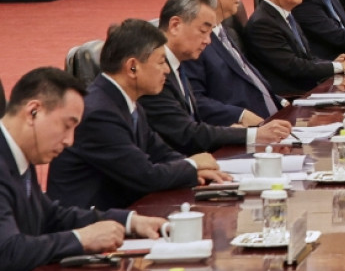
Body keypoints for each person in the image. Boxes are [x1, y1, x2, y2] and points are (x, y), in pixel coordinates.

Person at [47, 20, 231, 211]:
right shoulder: (99, 113)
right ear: (133, 67)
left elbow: (160, 152)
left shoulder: (128, 101)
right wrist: (192, 165)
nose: (167, 70)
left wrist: (200, 168)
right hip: (89, 223)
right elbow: (145, 175)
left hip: (123, 208)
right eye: (161, 62)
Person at [1, 68, 169, 269]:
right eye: (66, 125)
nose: (69, 141)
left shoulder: (19, 155)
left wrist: (128, 222)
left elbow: (51, 217)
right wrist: (80, 239)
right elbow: (6, 252)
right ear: (33, 112)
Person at [142, 0, 292, 156]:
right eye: (203, 31)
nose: (208, 40)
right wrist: (252, 134)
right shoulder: (153, 72)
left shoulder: (178, 63)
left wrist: (231, 132)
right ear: (175, 25)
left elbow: (193, 125)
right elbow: (184, 133)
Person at [180, 0, 288, 122]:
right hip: (245, 134)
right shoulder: (192, 41)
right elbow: (195, 102)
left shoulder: (224, 31)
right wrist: (240, 116)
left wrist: (281, 101)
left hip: (276, 121)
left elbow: (249, 81)